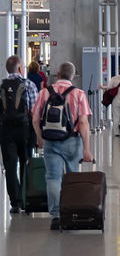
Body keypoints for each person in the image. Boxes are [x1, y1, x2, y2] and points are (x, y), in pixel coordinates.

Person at [32, 61, 93, 230]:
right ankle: (71, 212)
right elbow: (83, 123)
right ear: (73, 76)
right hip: (72, 141)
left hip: (51, 140)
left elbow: (35, 119)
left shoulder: (44, 92)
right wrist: (87, 148)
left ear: (57, 74)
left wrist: (40, 138)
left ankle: (56, 216)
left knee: (53, 177)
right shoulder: (79, 94)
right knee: (72, 177)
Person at [0, 55, 38, 213]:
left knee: (10, 165)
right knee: (25, 162)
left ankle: (15, 202)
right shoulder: (28, 84)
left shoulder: (1, 85)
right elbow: (34, 110)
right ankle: (26, 199)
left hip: (5, 130)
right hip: (24, 129)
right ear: (20, 68)